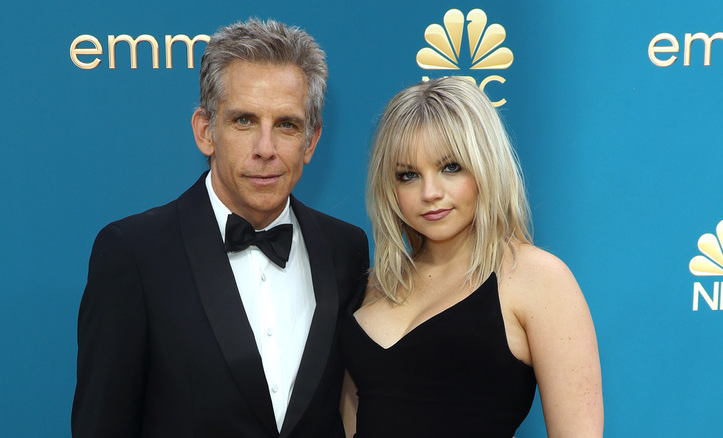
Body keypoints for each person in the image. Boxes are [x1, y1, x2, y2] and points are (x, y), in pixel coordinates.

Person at [72, 19, 369, 438]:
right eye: (244, 121)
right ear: (205, 131)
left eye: (286, 125)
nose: (266, 149)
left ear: (311, 141)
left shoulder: (346, 248)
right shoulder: (134, 253)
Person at [339, 77, 603, 437]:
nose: (430, 192)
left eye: (450, 167)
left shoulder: (536, 278)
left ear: (486, 166)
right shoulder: (377, 281)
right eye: (408, 175)